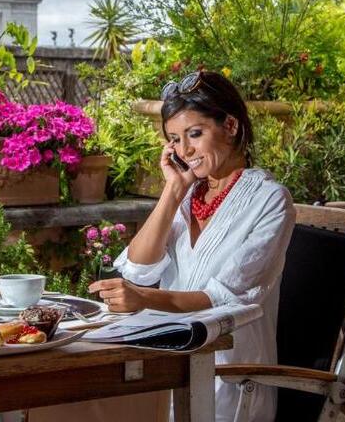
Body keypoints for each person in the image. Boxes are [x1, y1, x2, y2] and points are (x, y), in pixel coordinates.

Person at [88, 70, 296, 422]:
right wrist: (172, 191)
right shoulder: (188, 197)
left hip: (228, 377)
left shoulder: (270, 201)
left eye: (195, 134)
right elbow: (138, 268)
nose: (185, 150)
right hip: (166, 362)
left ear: (230, 126)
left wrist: (145, 298)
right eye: (175, 139)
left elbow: (226, 298)